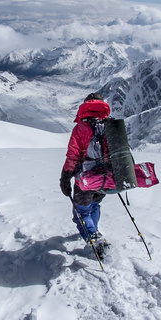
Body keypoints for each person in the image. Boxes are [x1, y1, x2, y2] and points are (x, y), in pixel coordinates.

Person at [59, 93, 112, 253]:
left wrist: (65, 179)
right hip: (106, 179)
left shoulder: (81, 128)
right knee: (94, 205)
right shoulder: (109, 126)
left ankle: (96, 242)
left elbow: (73, 156)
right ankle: (93, 230)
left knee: (81, 214)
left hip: (85, 180)